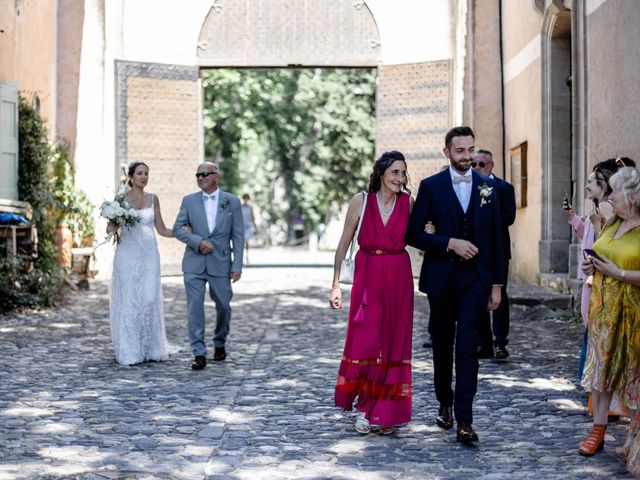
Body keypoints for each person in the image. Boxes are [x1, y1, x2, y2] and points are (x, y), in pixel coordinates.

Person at [406, 126, 505, 444]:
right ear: (446, 151)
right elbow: (415, 234)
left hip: (475, 280)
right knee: (442, 345)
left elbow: (496, 239)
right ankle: (444, 401)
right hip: (442, 279)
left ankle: (465, 419)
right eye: (460, 151)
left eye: (471, 150)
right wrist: (448, 242)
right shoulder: (431, 186)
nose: (467, 156)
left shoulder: (488, 187)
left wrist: (497, 284)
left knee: (468, 349)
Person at [330, 151, 414, 435]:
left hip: (399, 279)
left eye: (402, 173)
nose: (399, 179)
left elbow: (419, 239)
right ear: (380, 173)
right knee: (366, 343)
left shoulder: (407, 203)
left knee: (393, 344)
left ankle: (386, 413)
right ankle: (365, 407)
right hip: (368, 276)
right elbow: (343, 244)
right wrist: (335, 284)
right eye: (394, 173)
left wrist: (430, 231)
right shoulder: (361, 201)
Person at [565, 157, 635, 418]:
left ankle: (612, 403)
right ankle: (600, 409)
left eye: (591, 182)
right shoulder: (608, 215)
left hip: (615, 286)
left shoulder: (611, 215)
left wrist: (609, 269)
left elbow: (607, 249)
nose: (587, 187)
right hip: (597, 281)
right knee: (596, 339)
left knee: (607, 342)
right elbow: (593, 242)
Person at [579, 165, 640, 457]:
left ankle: (635, 437)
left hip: (633, 310)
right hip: (604, 308)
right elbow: (603, 252)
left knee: (634, 372)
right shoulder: (612, 222)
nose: (610, 196)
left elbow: (621, 267)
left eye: (615, 191)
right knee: (600, 370)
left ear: (632, 196)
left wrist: (620, 273)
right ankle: (597, 430)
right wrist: (593, 265)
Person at [173, 162, 244, 370]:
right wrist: (197, 241)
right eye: (198, 175)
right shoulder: (189, 201)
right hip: (194, 263)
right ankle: (199, 352)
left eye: (205, 174)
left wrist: (237, 264)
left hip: (221, 263)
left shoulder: (232, 202)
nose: (201, 178)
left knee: (223, 305)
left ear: (216, 176)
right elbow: (178, 229)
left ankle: (220, 341)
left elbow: (238, 236)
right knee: (194, 307)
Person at [108, 161, 176, 365]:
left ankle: (152, 347)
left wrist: (184, 232)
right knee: (129, 299)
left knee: (148, 298)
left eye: (147, 173)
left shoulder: (153, 199)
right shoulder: (120, 200)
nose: (144, 177)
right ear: (130, 177)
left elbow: (162, 229)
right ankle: (130, 350)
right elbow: (109, 230)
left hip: (149, 256)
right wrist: (116, 217)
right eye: (140, 173)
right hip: (126, 255)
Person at [472, 149, 516, 360]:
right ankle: (484, 343)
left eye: (481, 164)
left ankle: (500, 343)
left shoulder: (504, 187)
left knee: (501, 295)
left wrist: (487, 220)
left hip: (498, 249)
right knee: (478, 295)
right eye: (474, 164)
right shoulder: (469, 187)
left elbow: (509, 216)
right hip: (476, 251)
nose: (477, 168)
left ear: (491, 165)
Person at [241, 194, 257, 264]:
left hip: (248, 226)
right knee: (242, 242)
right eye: (245, 198)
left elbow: (253, 217)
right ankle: (242, 256)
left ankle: (247, 255)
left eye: (247, 198)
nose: (246, 199)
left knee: (246, 240)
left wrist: (255, 227)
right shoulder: (240, 207)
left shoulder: (250, 207)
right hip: (241, 226)